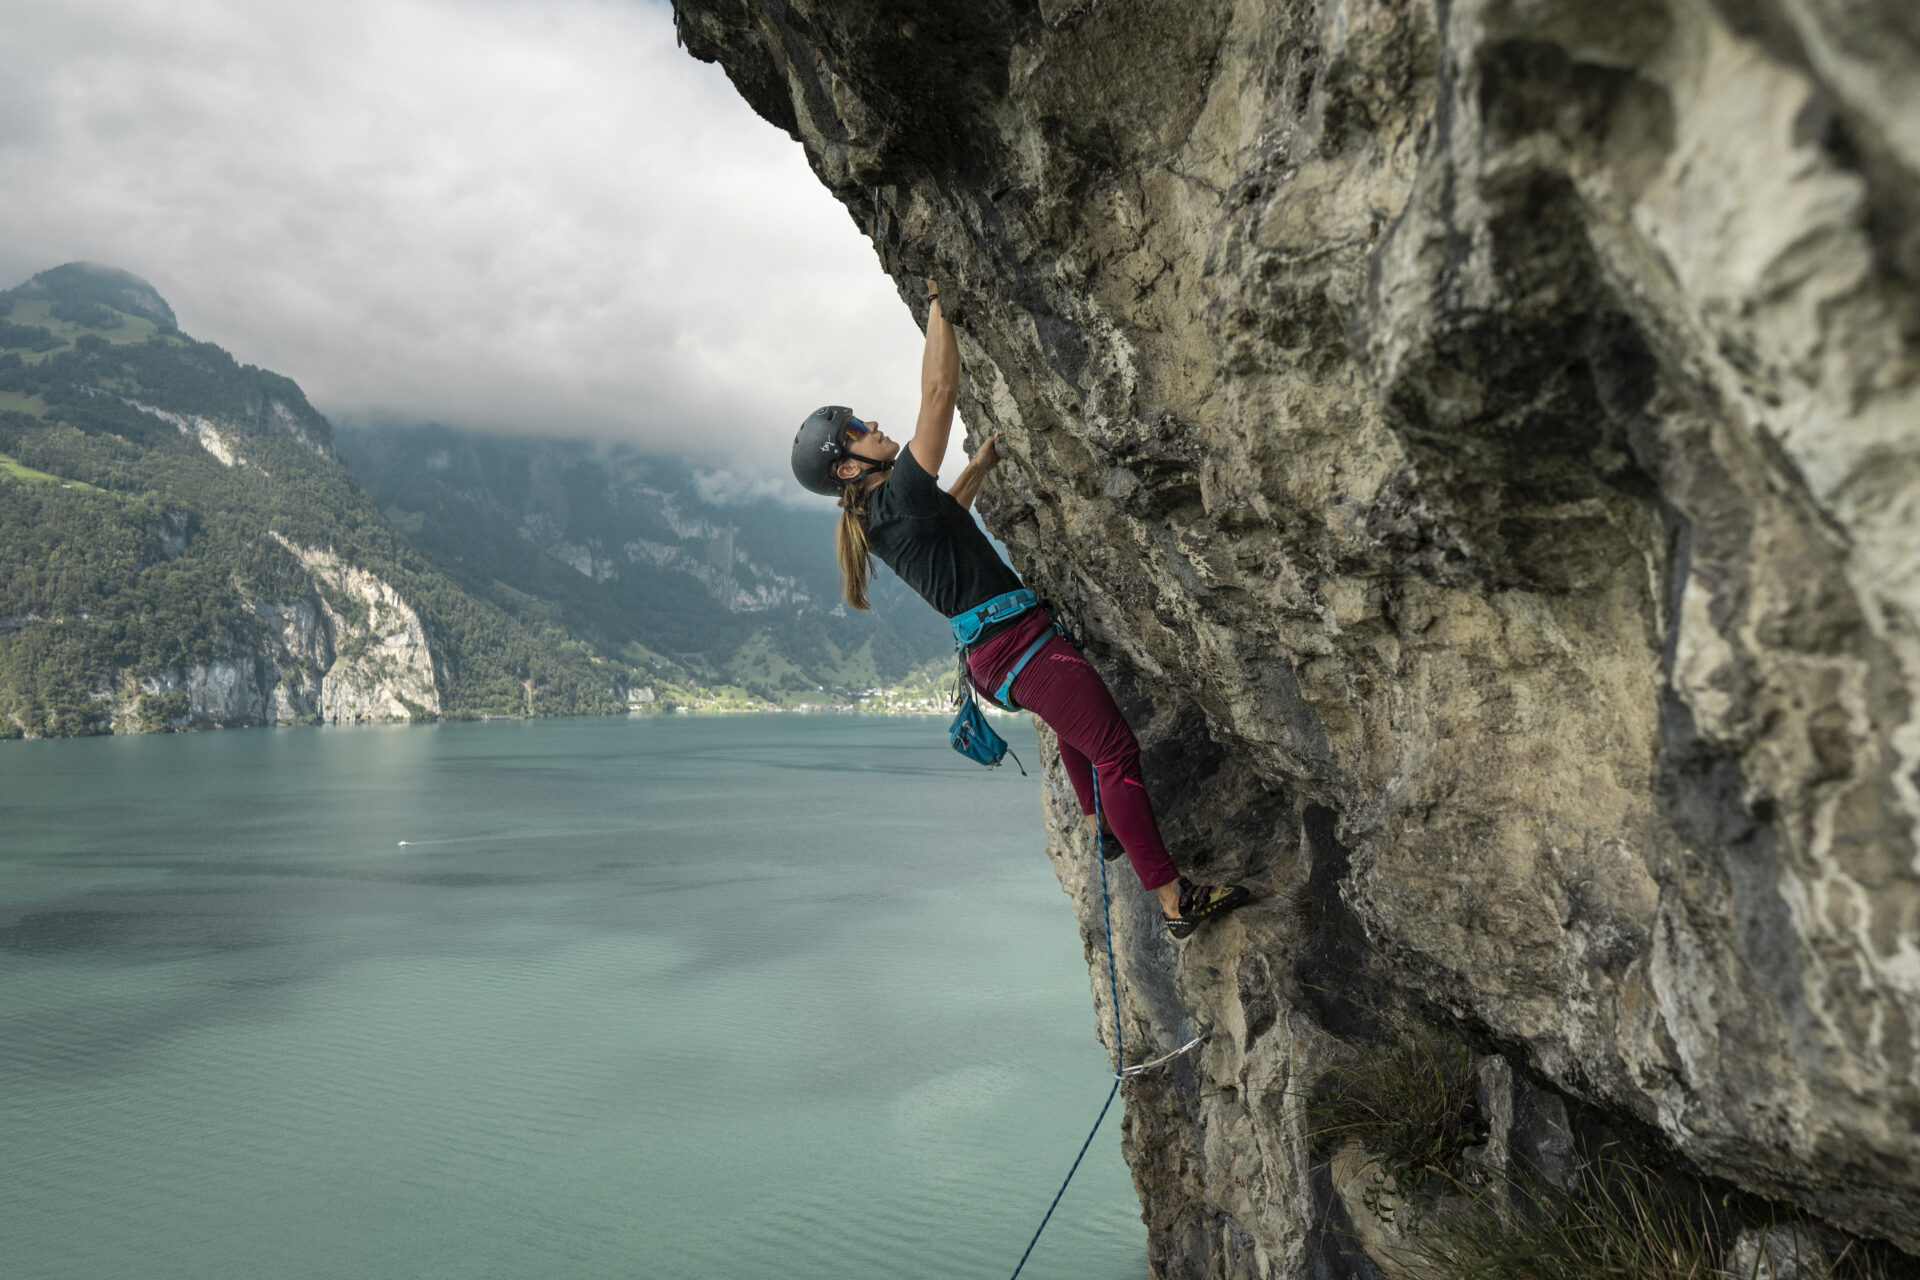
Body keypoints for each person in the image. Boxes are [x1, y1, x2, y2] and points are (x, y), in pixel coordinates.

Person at [789, 279, 1251, 940]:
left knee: (1078, 735)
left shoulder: (889, 512)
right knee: (1115, 748)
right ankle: (1176, 902)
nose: (874, 426)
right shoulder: (893, 502)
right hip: (1020, 648)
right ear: (846, 468)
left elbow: (949, 513)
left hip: (1002, 653)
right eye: (858, 430)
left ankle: (1104, 831)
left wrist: (983, 462)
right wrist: (939, 308)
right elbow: (939, 396)